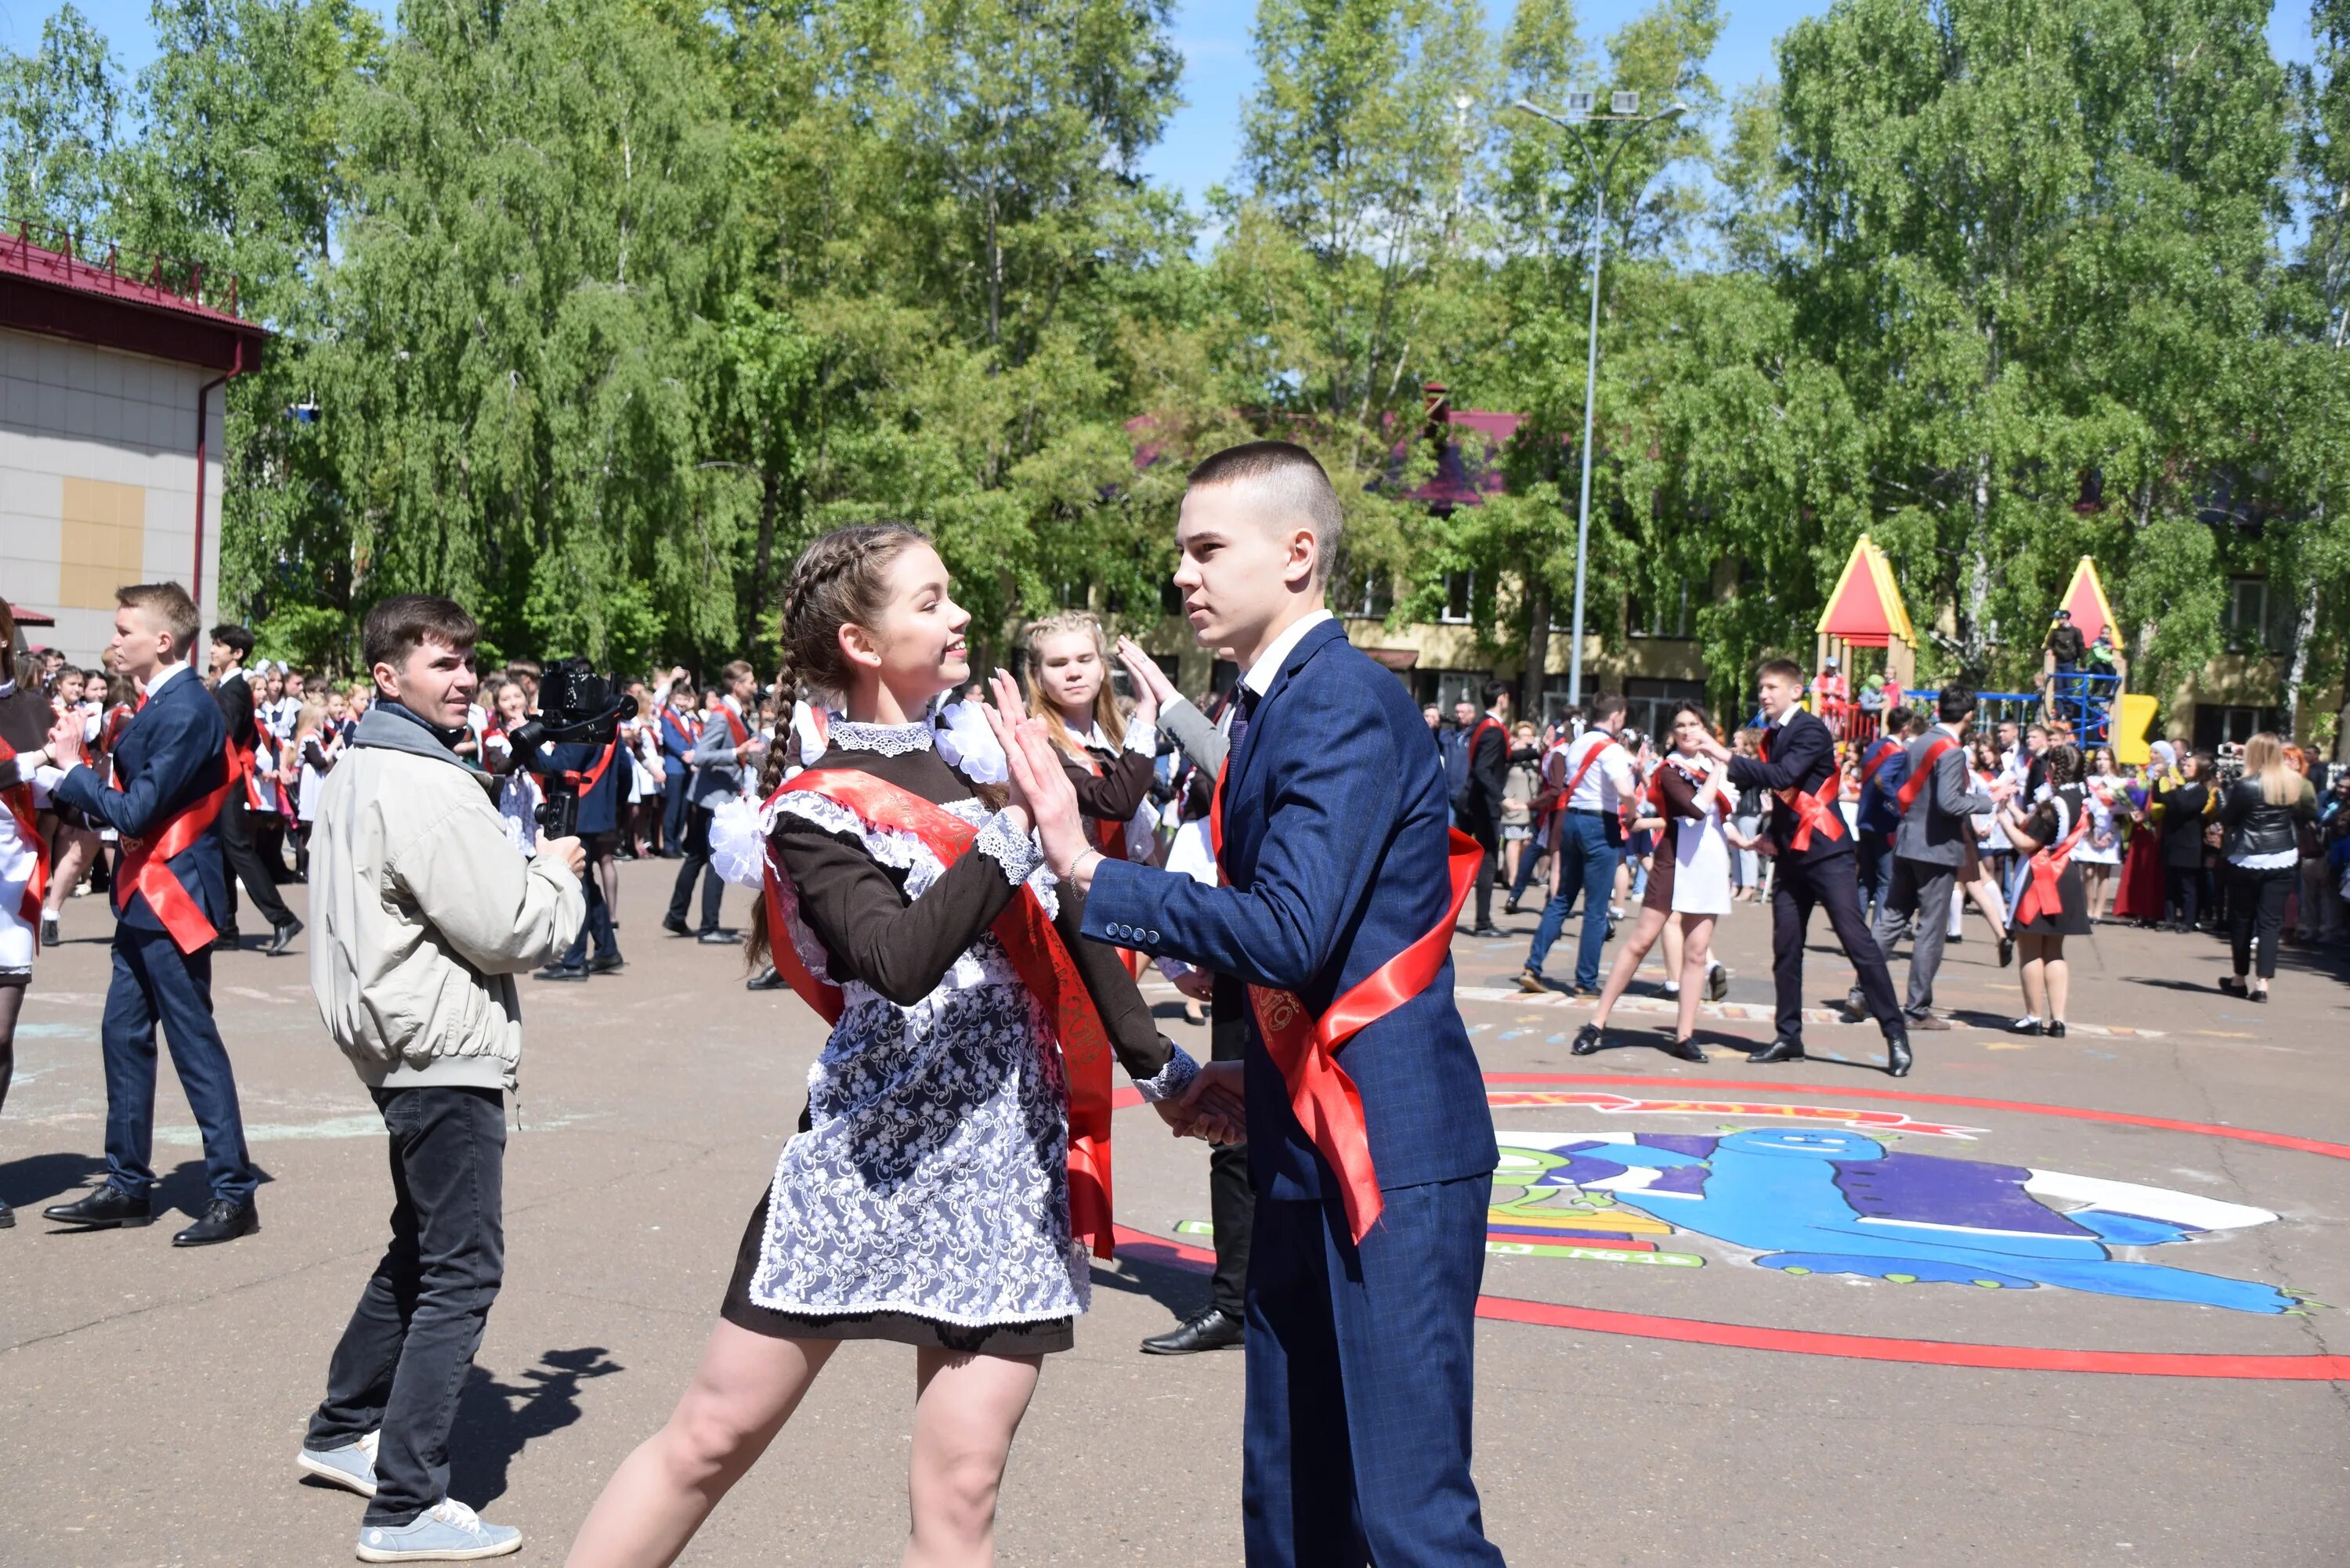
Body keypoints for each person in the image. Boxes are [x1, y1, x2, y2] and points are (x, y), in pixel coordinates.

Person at [562, 525, 1229, 1568]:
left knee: (961, 1489)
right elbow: (898, 960)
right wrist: (1017, 825)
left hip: (1006, 1164)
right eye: (930, 601)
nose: (959, 616)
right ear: (861, 641)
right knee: (712, 1435)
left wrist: (1167, 1070)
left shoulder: (985, 768)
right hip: (866, 1160)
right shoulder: (817, 805)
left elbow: (1069, 929)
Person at [1003, 440, 1506, 1568]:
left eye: (1206, 547)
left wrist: (1090, 870)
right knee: (1292, 1499)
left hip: (1386, 1143)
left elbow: (1292, 927)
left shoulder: (1339, 700)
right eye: (1180, 549)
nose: (1182, 573)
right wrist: (1259, 1065)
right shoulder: (1277, 702)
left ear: (1296, 552)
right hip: (1303, 1122)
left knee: (1409, 1517)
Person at [296, 595, 585, 1563]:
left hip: (395, 1032)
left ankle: (345, 1428)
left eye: (466, 660)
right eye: (439, 663)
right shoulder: (424, 778)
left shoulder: (364, 762)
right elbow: (508, 927)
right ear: (388, 676)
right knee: (463, 1264)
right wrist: (557, 869)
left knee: (422, 1245)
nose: (462, 678)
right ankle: (406, 1504)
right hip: (438, 1043)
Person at [34, 582, 260, 1245]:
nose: (114, 638)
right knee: (122, 1038)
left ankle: (232, 1192)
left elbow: (134, 812)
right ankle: (128, 1185)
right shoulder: (157, 703)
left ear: (164, 641)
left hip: (174, 898)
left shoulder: (188, 708)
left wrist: (75, 769)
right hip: (144, 895)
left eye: (124, 629)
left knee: (194, 1047)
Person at [1115, 634, 1252, 1356]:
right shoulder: (1247, 694)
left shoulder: (1320, 689)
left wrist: (1167, 708)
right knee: (1236, 1130)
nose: (1189, 581)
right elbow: (1219, 794)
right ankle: (1235, 1300)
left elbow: (1239, 771)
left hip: (1302, 952)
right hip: (1247, 953)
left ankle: (1288, 1296)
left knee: (1308, 1128)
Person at [1699, 657, 1911, 1076]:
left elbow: (1783, 777)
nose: (1764, 695)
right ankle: (1788, 1036)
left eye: (1773, 687)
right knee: (1786, 948)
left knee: (1857, 942)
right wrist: (1767, 838)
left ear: (1797, 691)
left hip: (1827, 854)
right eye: (1761, 688)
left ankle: (1895, 1032)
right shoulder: (1776, 734)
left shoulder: (1810, 729)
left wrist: (1724, 755)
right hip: (1792, 855)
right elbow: (1784, 797)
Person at [1571, 701, 1734, 1063]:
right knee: (1639, 943)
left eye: (1695, 724)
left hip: (1709, 865)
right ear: (1672, 734)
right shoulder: (1669, 769)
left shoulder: (1714, 766)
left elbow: (1723, 816)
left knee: (1695, 952)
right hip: (1674, 863)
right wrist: (1720, 766)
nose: (1689, 731)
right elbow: (1693, 810)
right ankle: (1597, 1023)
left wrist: (1750, 841)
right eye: (1681, 726)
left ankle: (1684, 1035)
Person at [1854, 687, 1998, 1035]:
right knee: (1930, 929)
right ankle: (1917, 1009)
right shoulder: (1950, 751)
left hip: (1906, 841)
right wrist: (1987, 800)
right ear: (1968, 716)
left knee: (1889, 921)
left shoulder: (1918, 742)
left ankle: (1861, 992)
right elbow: (1950, 803)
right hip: (1935, 848)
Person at [1022, 609, 1159, 898]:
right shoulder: (1038, 743)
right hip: (1075, 909)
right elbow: (1115, 801)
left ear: (1102, 668)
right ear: (1038, 676)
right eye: (1058, 663)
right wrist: (1147, 710)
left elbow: (1140, 846)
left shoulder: (1113, 742)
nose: (1074, 672)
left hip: (1128, 902)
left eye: (1085, 659)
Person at [1517, 691, 1636, 997]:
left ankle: (1533, 965)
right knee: (1596, 909)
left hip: (1571, 820)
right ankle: (1585, 980)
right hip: (1601, 822)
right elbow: (1624, 790)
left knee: (1562, 898)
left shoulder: (1577, 744)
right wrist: (1632, 814)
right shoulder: (1611, 750)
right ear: (1616, 717)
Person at [0, 613, 60, 1231]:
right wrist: (39, 758)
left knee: (0, 1035)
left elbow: (61, 789)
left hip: (11, 881)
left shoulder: (34, 706)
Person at [207, 623, 304, 956]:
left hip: (232, 777)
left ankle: (283, 918)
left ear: (236, 653)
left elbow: (227, 734)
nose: (212, 650)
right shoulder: (228, 686)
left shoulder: (233, 689)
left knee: (237, 850)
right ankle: (226, 928)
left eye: (219, 646)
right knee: (224, 851)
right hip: (226, 778)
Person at [532, 695, 628, 983]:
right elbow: (625, 771)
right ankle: (607, 949)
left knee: (577, 885)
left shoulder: (582, 727)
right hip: (599, 812)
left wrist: (529, 744)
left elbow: (557, 766)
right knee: (588, 884)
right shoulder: (608, 728)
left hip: (578, 810)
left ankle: (575, 960)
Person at [1998, 741, 2092, 1035]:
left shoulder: (2054, 803)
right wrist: (2013, 809)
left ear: (2054, 767)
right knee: (2055, 951)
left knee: (2030, 950)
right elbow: (2037, 824)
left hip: (2042, 875)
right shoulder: (2078, 798)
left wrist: (2001, 816)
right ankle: (2059, 1019)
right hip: (2065, 875)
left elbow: (2028, 841)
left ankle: (2033, 1017)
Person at [666, 660, 764, 942]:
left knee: (696, 857)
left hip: (711, 796)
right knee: (714, 861)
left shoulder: (735, 712)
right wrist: (737, 752)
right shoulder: (722, 715)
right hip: (713, 799)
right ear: (737, 686)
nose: (754, 687)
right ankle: (709, 928)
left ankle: (676, 916)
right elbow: (700, 755)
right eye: (750, 682)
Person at [2216, 732, 2318, 1003]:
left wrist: (2223, 792)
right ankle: (2263, 985)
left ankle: (2239, 979)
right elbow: (2309, 812)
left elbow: (2228, 818)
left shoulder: (2246, 785)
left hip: (2248, 857)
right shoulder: (2294, 783)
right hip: (2283, 854)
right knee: (2271, 923)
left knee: (2242, 919)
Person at [1851, 707, 1918, 927]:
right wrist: (1898, 804)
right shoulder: (1898, 752)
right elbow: (1882, 780)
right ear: (1906, 727)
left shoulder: (1873, 747)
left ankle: (1856, 931)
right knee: (1885, 882)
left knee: (1865, 881)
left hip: (1865, 819)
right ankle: (1876, 934)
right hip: (1884, 823)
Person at [2155, 751, 2216, 932]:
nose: (2184, 768)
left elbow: (2184, 807)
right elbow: (2161, 798)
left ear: (2200, 770)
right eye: (2185, 765)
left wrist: (2174, 791)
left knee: (2187, 886)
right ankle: (2170, 918)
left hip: (2188, 845)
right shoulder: (2183, 788)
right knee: (2170, 883)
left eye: (2189, 766)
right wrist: (2157, 779)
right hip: (2172, 842)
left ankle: (2188, 920)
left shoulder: (2200, 791)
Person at [2078, 745, 2126, 922]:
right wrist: (2090, 833)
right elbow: (2083, 807)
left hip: (2109, 831)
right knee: (2089, 872)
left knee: (2103, 873)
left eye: (2105, 759)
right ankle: (2088, 909)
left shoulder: (2119, 783)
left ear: (2112, 761)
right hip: (2089, 831)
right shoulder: (2087, 782)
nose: (2101, 763)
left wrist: (2110, 833)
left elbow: (2123, 812)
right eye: (2098, 759)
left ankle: (2098, 912)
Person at [655, 677, 700, 857]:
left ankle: (677, 842)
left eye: (685, 699)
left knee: (683, 808)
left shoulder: (688, 718)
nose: (682, 703)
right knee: (672, 808)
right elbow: (670, 740)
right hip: (675, 766)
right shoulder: (667, 717)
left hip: (687, 766)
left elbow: (694, 738)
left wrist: (695, 753)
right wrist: (685, 754)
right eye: (679, 699)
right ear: (673, 698)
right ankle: (668, 845)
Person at [1499, 719, 1539, 905]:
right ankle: (1513, 879)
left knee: (1526, 843)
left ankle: (1512, 871)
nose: (1526, 739)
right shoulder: (1511, 754)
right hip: (1513, 804)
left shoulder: (1536, 757)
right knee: (1514, 841)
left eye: (1529, 735)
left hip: (1530, 806)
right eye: (1523, 735)